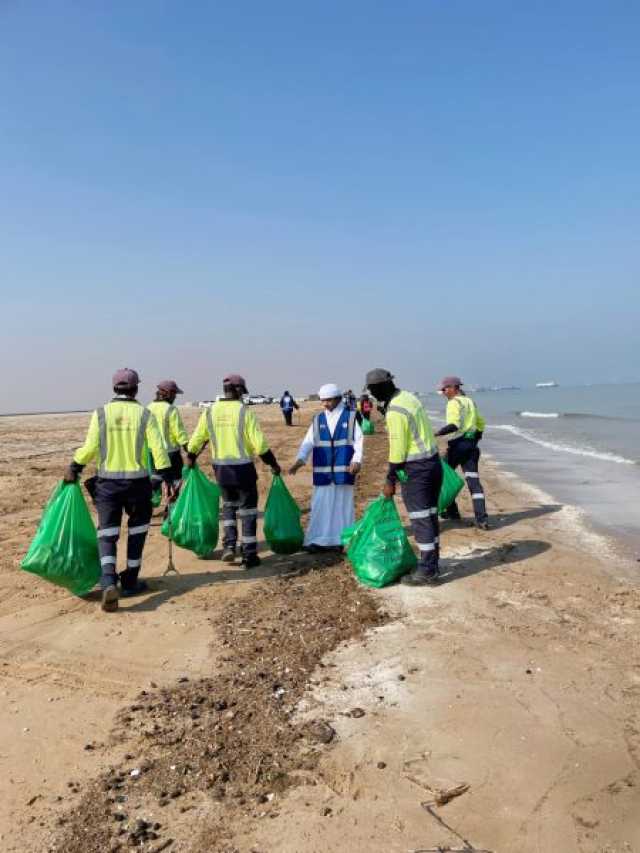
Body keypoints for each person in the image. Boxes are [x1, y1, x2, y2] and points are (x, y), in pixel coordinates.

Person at [64, 368, 174, 612]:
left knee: (107, 534)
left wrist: (74, 466)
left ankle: (108, 581)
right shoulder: (144, 415)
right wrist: (167, 478)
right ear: (135, 389)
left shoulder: (101, 413)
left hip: (108, 485)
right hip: (138, 485)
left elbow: (90, 447)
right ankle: (131, 580)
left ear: (114, 388)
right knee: (137, 532)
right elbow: (158, 451)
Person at [186, 374, 281, 568]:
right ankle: (249, 555)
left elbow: (196, 440)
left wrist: (190, 457)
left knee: (228, 507)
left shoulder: (210, 411)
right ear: (238, 391)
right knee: (248, 512)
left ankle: (229, 546)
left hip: (221, 470)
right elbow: (260, 445)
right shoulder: (244, 412)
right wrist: (273, 464)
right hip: (243, 470)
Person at [365, 368, 442, 586]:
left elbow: (398, 449)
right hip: (433, 462)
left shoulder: (395, 410)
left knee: (420, 519)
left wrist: (390, 479)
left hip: (416, 468)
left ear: (379, 388)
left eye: (372, 391)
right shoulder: (407, 397)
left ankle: (427, 570)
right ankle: (432, 564)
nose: (372, 395)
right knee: (431, 516)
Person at [289, 383, 363, 551]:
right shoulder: (318, 419)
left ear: (338, 399)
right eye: (322, 401)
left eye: (328, 400)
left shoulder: (351, 417)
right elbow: (308, 442)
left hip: (344, 471)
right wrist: (300, 459)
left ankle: (342, 540)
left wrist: (357, 460)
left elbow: (359, 441)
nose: (325, 404)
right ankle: (317, 540)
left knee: (343, 507)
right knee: (320, 505)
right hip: (322, 472)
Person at [435, 376, 489, 529]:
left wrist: (437, 434)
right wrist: (474, 439)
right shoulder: (470, 401)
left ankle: (452, 512)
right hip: (471, 447)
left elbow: (454, 425)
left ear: (454, 388)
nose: (443, 392)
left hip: (458, 446)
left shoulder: (453, 403)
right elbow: (481, 424)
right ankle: (482, 519)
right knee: (474, 481)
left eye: (444, 389)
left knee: (444, 476)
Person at [147, 379, 189, 499]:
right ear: (169, 394)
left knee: (156, 477)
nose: (175, 397)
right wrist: (188, 448)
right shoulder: (170, 409)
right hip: (171, 453)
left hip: (152, 452)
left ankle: (145, 501)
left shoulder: (148, 408)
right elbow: (179, 432)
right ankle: (171, 507)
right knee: (175, 480)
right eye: (174, 394)